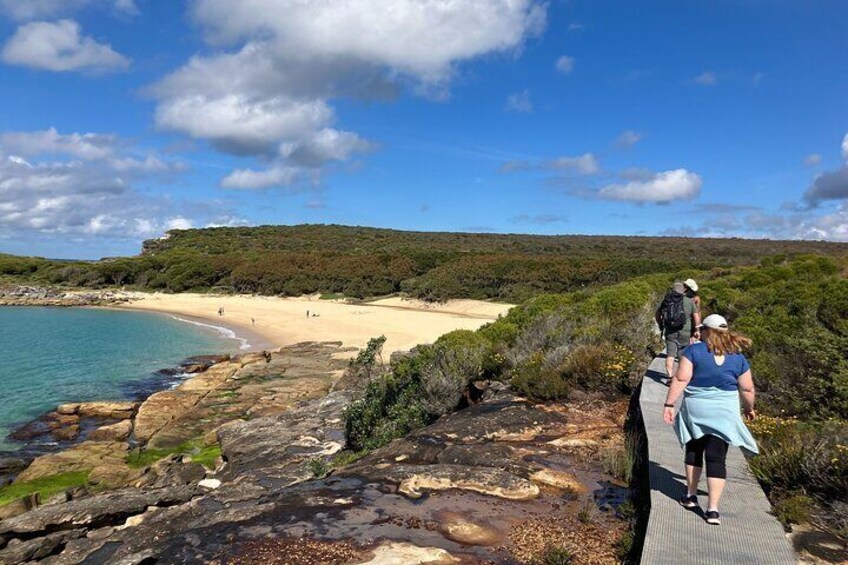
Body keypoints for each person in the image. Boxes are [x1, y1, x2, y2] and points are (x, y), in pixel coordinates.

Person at [662, 314, 758, 526]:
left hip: (697, 408)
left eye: (702, 329)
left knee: (694, 450)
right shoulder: (738, 357)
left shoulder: (694, 351)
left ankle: (690, 496)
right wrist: (749, 408)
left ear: (706, 330)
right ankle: (712, 510)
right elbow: (747, 388)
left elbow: (681, 378)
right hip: (725, 411)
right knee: (716, 458)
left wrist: (669, 404)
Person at [656, 282, 701, 377]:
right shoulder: (689, 301)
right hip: (685, 331)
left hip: (670, 331)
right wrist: (697, 329)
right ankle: (681, 375)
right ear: (683, 290)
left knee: (670, 355)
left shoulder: (667, 300)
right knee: (683, 355)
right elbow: (696, 316)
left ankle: (670, 377)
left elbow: (657, 314)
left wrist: (661, 325)